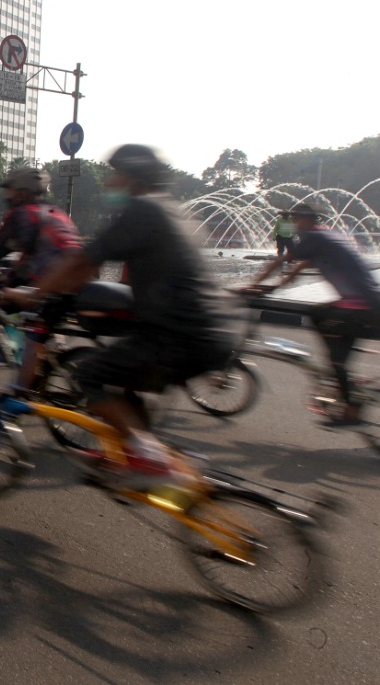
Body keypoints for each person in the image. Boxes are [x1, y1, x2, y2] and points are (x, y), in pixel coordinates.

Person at [25, 144, 236, 489]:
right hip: (213, 331)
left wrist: (33, 293)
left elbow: (81, 262)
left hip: (178, 336)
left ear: (132, 177)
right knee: (124, 373)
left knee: (89, 373)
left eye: (116, 174)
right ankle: (142, 448)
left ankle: (149, 456)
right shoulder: (173, 209)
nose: (111, 182)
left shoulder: (143, 210)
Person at [249, 202, 380, 427]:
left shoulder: (314, 238)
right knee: (318, 313)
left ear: (307, 220)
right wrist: (274, 287)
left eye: (296, 220)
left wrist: (252, 284)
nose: (294, 224)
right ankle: (340, 365)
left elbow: (280, 261)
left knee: (334, 356)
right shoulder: (324, 238)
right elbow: (299, 267)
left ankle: (351, 410)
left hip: (362, 307)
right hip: (367, 302)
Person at [0, 167, 82, 382]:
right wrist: (7, 278)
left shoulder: (22, 214)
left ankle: (17, 395)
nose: (7, 195)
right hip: (77, 281)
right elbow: (32, 256)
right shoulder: (57, 212)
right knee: (15, 302)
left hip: (49, 283)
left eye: (9, 190)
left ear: (21, 192)